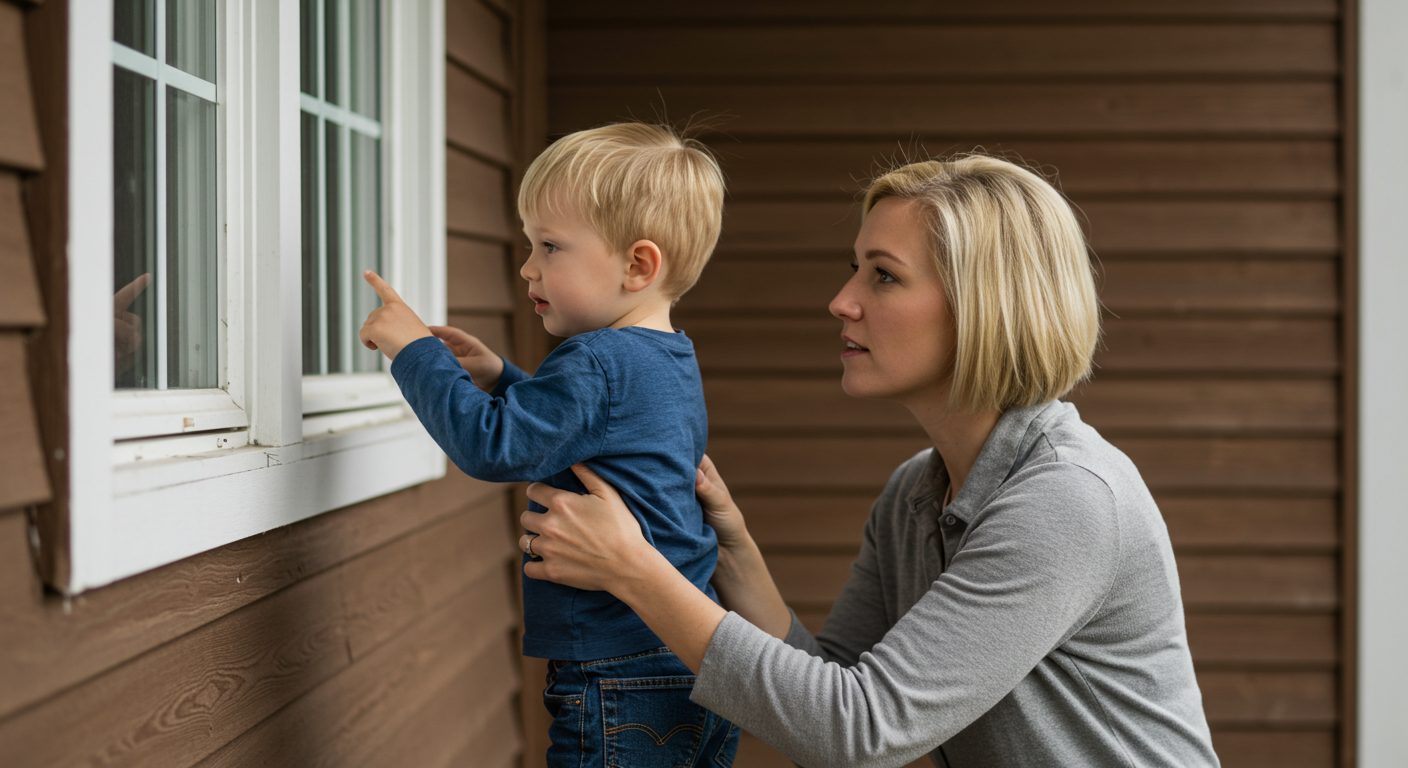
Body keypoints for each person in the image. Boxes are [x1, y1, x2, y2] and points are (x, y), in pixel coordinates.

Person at [516, 155, 1222, 767]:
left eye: (882, 277)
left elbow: (853, 733)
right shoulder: (917, 491)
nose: (841, 301)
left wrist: (637, 572)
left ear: (985, 304)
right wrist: (731, 556)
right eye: (853, 269)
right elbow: (832, 691)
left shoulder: (1066, 500)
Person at [357, 122, 740, 767]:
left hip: (619, 666)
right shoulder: (665, 357)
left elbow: (494, 446)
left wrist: (413, 351)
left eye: (551, 246)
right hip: (690, 655)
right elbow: (594, 437)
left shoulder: (595, 358)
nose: (529, 266)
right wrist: (505, 378)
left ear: (638, 265)